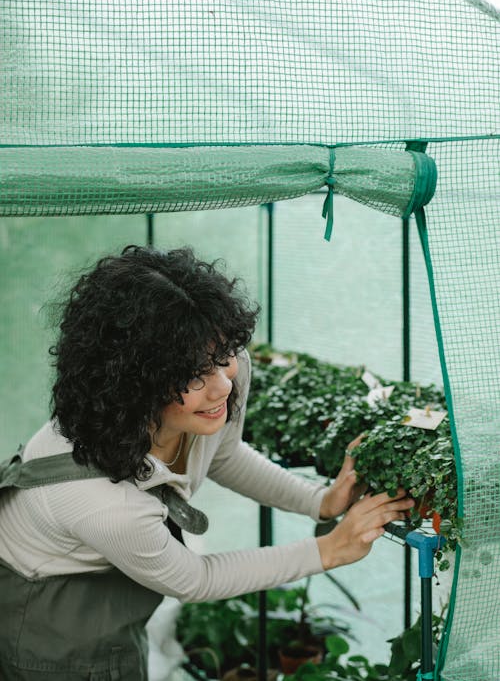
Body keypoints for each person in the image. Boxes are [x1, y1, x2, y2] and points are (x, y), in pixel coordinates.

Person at [0, 245, 414, 681]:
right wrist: (330, 549)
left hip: (106, 573)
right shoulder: (103, 502)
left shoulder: (223, 377)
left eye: (222, 356)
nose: (221, 386)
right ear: (135, 386)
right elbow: (195, 579)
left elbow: (225, 454)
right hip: (48, 614)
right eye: (193, 375)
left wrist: (322, 502)